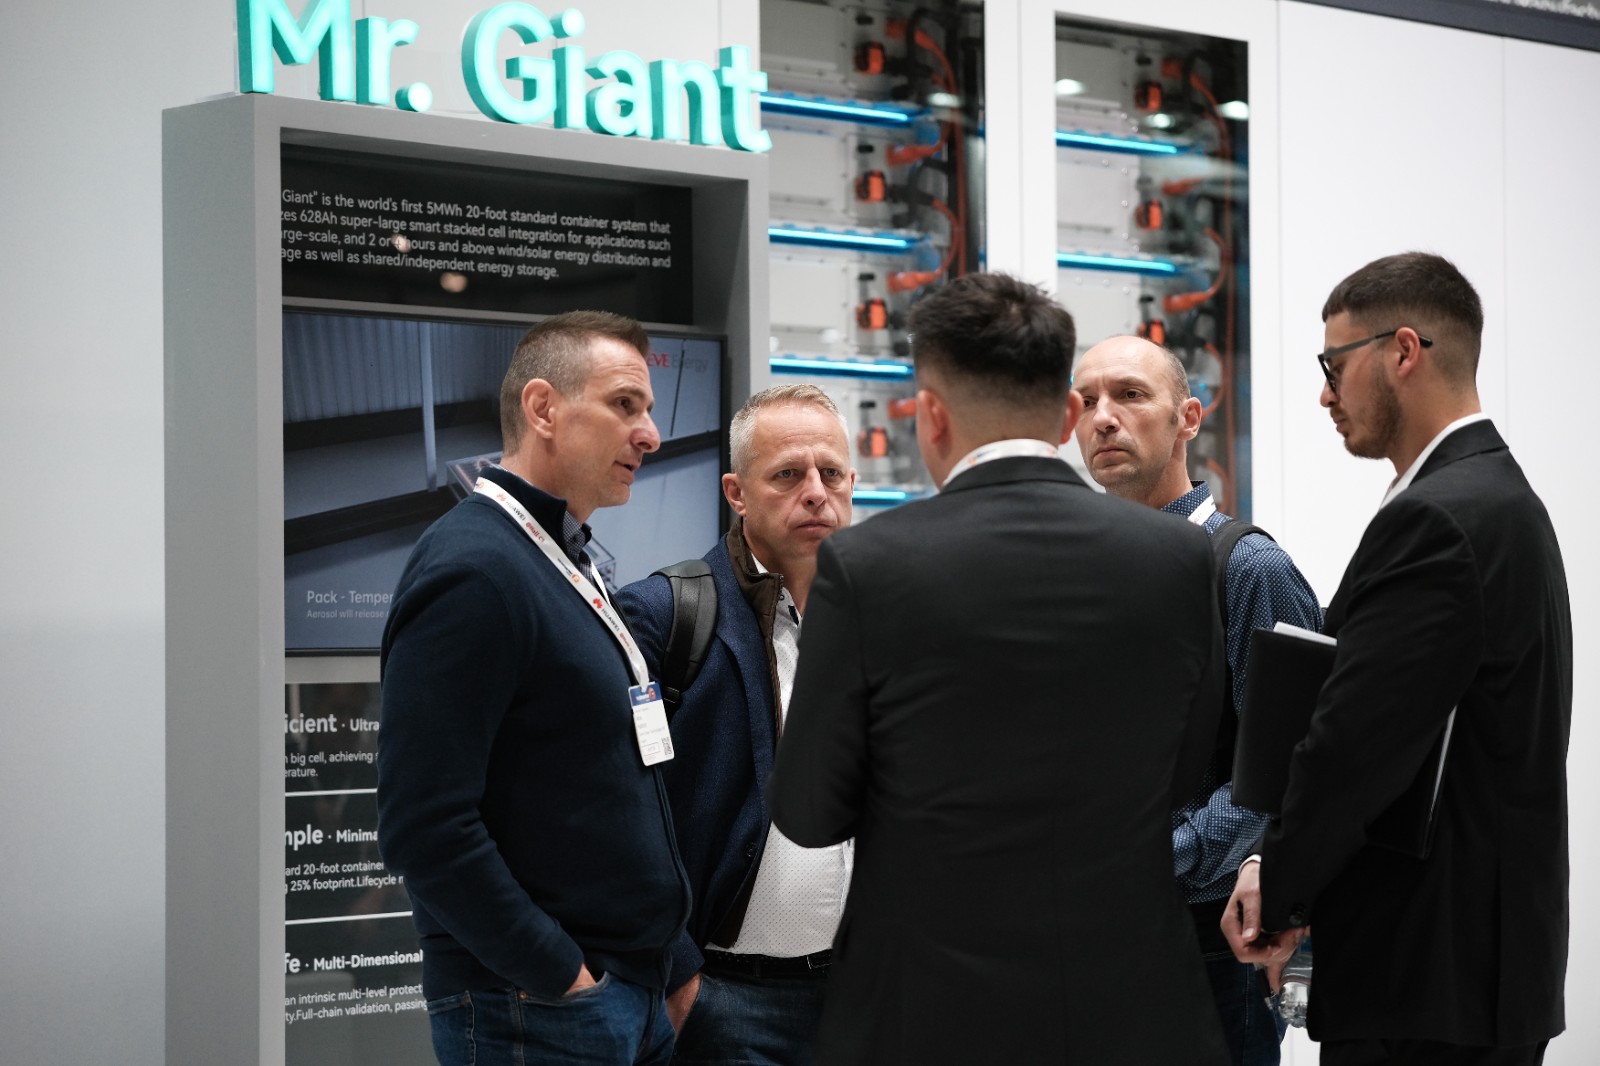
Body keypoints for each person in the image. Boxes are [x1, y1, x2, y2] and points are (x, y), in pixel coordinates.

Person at [766, 271, 1232, 1065]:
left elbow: (809, 812)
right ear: (1069, 414)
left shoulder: (869, 564)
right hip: (1134, 1009)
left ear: (932, 415)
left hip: (931, 1014)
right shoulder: (1180, 557)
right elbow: (1188, 767)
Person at [1222, 253, 1572, 1065]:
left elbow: (1354, 747)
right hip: (1474, 976)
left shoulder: (1439, 519)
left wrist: (1279, 887)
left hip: (1426, 983)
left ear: (1403, 351)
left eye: (1334, 366)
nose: (1325, 394)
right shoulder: (1500, 498)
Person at [376, 311, 691, 1066]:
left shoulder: (561, 554)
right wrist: (561, 976)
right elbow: (425, 824)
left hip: (622, 994)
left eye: (648, 409)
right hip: (539, 1010)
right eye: (625, 405)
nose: (650, 435)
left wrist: (664, 960)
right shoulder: (475, 570)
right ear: (543, 408)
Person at [1072, 335, 1323, 1066]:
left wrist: (1149, 859)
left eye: (1130, 395)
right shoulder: (1081, 575)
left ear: (1188, 417)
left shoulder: (1249, 568)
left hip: (1209, 949)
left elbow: (1286, 773)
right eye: (1087, 401)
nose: (1104, 417)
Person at [615, 384, 856, 1066]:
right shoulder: (663, 615)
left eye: (831, 473)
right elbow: (615, 813)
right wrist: (677, 977)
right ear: (736, 492)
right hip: (722, 1002)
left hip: (861, 996)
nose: (816, 493)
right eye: (788, 474)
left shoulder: (879, 621)